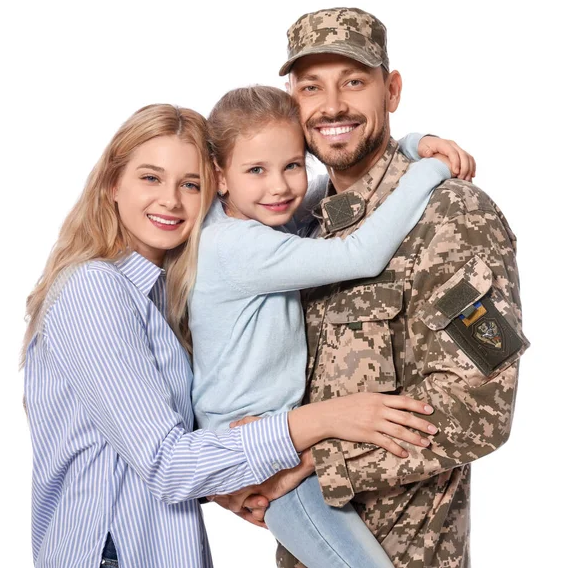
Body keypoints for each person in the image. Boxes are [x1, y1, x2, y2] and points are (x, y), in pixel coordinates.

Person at [22, 103, 447, 568]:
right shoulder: (94, 290)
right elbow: (167, 465)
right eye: (150, 178)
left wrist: (227, 482)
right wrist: (327, 419)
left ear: (212, 187)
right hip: (113, 554)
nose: (170, 200)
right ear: (112, 185)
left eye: (189, 183)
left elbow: (138, 457)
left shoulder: (164, 291)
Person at [220, 8, 529, 568]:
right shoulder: (298, 221)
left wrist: (314, 458)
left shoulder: (452, 216)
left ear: (392, 90)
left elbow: (481, 407)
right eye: (312, 86)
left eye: (354, 82)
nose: (332, 105)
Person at [189, 85, 472, 568]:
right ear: (220, 176)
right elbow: (359, 254)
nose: (279, 187)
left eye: (292, 165)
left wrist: (408, 144)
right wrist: (430, 170)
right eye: (256, 170)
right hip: (263, 448)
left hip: (275, 438)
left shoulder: (245, 220)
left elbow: (336, 197)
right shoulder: (236, 246)